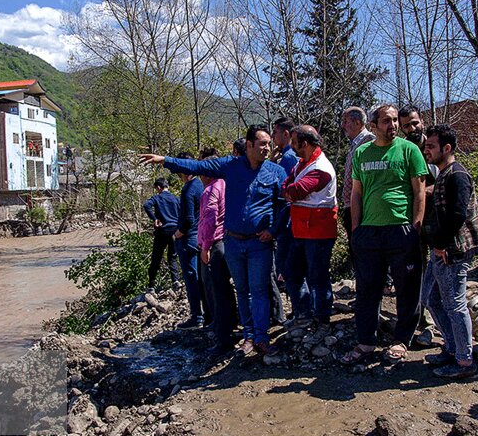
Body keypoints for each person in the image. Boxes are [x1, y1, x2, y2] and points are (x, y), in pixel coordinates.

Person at [138, 125, 287, 357]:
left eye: (269, 143)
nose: (267, 148)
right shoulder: (230, 166)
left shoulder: (276, 172)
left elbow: (284, 205)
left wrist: (273, 230)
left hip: (260, 243)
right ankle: (248, 336)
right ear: (249, 145)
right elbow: (197, 166)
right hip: (233, 242)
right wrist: (164, 160)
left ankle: (261, 337)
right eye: (262, 144)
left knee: (258, 291)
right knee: (243, 291)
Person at [343, 104, 427, 365]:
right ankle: (366, 342)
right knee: (368, 289)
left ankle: (402, 340)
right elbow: (356, 193)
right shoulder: (362, 153)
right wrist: (356, 229)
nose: (392, 125)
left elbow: (420, 191)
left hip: (401, 230)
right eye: (386, 121)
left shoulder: (409, 150)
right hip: (369, 232)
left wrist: (416, 227)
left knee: (407, 288)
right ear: (373, 125)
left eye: (394, 121)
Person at [421, 124, 478, 379]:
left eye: (431, 146)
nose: (427, 150)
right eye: (426, 146)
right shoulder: (444, 174)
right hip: (443, 249)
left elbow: (457, 215)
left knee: (455, 305)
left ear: (446, 148)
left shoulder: (457, 174)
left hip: (453, 250)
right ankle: (452, 347)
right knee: (431, 298)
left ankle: (465, 361)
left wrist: (441, 244)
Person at [282, 125, 337, 327]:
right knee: (292, 272)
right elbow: (287, 186)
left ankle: (321, 317)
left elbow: (296, 191)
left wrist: (289, 190)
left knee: (318, 276)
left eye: (294, 143)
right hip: (302, 229)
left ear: (304, 144)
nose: (292, 147)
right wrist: (289, 189)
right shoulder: (302, 164)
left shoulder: (321, 168)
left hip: (318, 231)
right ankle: (304, 313)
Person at [399, 104, 438, 345]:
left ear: (421, 121)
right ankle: (421, 318)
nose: (412, 128)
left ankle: (439, 319)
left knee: (441, 270)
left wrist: (425, 191)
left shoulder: (435, 144)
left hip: (437, 220)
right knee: (417, 270)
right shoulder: (404, 150)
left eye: (414, 123)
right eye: (407, 126)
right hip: (414, 221)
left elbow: (449, 174)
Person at [198, 160, 237, 352]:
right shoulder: (226, 183)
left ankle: (223, 336)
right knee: (227, 288)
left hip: (215, 243)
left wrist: (205, 246)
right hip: (229, 240)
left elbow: (210, 219)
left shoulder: (210, 190)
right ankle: (232, 323)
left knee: (215, 289)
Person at [271, 117, 304, 322]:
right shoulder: (284, 156)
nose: (272, 136)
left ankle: (301, 312)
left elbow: (286, 193)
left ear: (285, 133)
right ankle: (298, 311)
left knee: (290, 269)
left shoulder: (290, 158)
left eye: (274, 132)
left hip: (288, 222)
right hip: (287, 221)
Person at [173, 152, 204, 329]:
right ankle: (205, 313)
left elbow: (188, 219)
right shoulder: (200, 185)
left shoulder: (188, 189)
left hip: (188, 239)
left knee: (191, 278)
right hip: (199, 238)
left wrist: (179, 233)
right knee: (200, 278)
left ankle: (196, 316)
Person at [339, 107, 375, 248]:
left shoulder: (369, 141)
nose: (343, 126)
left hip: (363, 208)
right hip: (351, 207)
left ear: (358, 123)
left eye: (346, 121)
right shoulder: (354, 144)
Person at [143, 178, 182, 292]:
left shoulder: (157, 198)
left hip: (162, 230)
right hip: (175, 231)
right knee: (172, 257)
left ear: (159, 187)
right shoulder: (176, 199)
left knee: (156, 258)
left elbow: (146, 205)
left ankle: (151, 285)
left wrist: (154, 219)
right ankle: (176, 281)